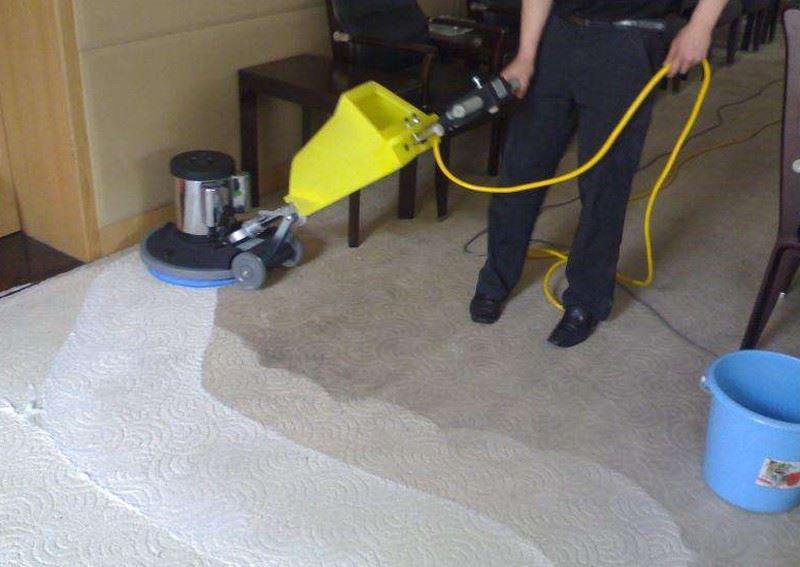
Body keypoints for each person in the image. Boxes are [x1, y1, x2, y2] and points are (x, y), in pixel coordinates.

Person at [470, 0, 729, 347]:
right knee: (521, 166)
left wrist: (700, 25)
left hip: (627, 41)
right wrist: (527, 54)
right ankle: (495, 279)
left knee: (605, 181)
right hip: (558, 33)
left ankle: (586, 299)